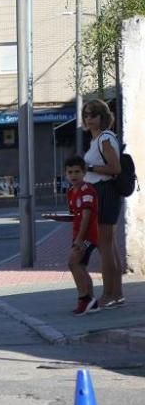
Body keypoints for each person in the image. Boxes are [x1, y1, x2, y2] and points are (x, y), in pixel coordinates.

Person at [81, 99, 124, 309]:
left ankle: (108, 294)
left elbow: (115, 168)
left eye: (93, 115)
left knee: (104, 246)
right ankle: (117, 294)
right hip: (102, 193)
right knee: (110, 246)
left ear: (102, 117)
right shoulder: (97, 139)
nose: (89, 119)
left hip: (105, 193)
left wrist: (89, 167)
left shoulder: (105, 138)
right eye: (86, 115)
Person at [64, 155, 101, 316]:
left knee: (73, 263)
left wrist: (80, 239)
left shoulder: (88, 191)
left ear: (84, 172)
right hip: (78, 235)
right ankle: (92, 302)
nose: (73, 175)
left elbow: (86, 216)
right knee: (81, 266)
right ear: (66, 174)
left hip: (87, 236)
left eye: (77, 172)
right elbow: (75, 215)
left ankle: (84, 299)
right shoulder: (71, 192)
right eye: (70, 172)